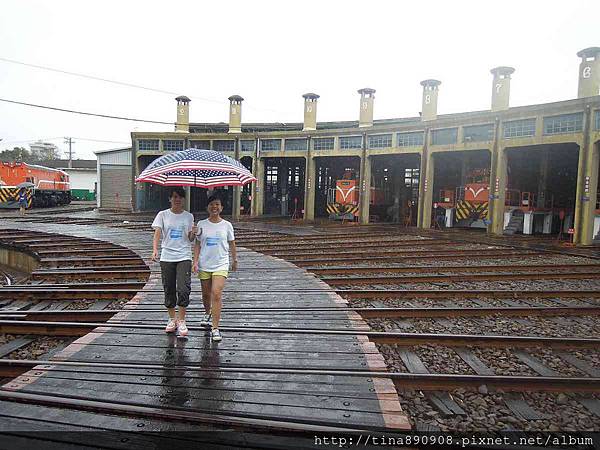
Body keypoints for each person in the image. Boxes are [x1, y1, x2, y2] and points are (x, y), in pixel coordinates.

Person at [151, 187, 197, 337]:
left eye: (180, 197)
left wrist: (193, 232)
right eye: (175, 197)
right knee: (168, 287)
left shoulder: (189, 216)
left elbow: (190, 239)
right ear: (170, 199)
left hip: (184, 255)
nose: (177, 199)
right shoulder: (162, 215)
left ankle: (182, 320)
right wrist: (155, 250)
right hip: (167, 256)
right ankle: (172, 319)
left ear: (183, 199)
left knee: (183, 288)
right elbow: (157, 233)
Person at [192, 194, 237, 342]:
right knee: (206, 295)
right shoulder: (201, 224)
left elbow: (232, 243)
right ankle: (207, 312)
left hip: (221, 263)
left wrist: (234, 260)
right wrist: (195, 261)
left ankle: (215, 328)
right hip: (205, 263)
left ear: (222, 207)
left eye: (217, 204)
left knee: (216, 293)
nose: (214, 207)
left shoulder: (227, 225)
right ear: (207, 207)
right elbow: (197, 244)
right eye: (211, 204)